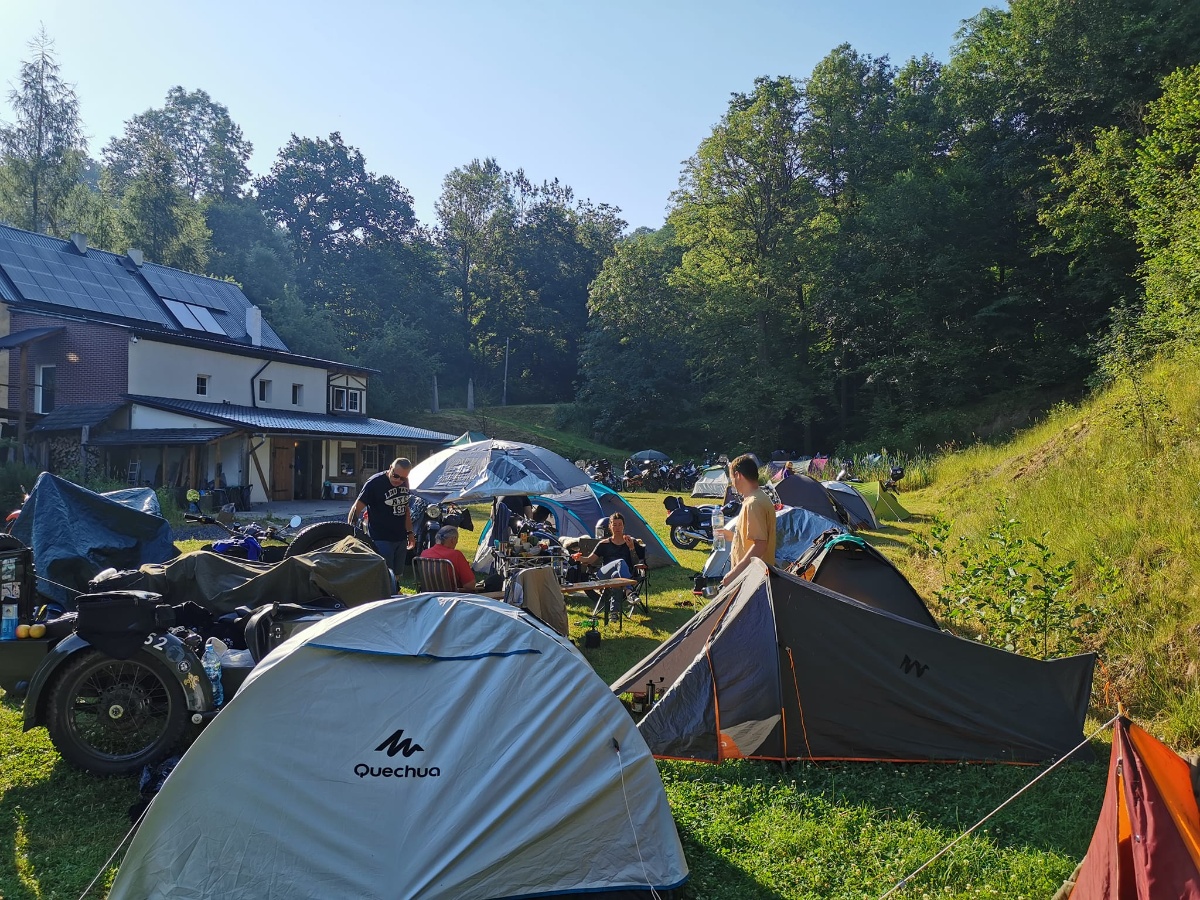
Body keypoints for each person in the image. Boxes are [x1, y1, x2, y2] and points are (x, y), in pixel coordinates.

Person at [348, 458, 414, 583]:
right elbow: (356, 509)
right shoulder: (375, 483)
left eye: (403, 479)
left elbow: (405, 509)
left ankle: (394, 596)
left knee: (397, 576)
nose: (398, 480)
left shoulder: (404, 482)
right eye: (395, 476)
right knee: (384, 575)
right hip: (380, 538)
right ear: (390, 468)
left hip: (400, 537)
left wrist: (410, 533)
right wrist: (351, 533)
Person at [719, 454, 777, 587]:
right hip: (753, 577)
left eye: (732, 477)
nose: (732, 482)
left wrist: (734, 573)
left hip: (753, 580)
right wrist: (733, 537)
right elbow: (756, 538)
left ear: (738, 475)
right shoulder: (758, 498)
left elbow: (760, 545)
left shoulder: (753, 504)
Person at [573, 512, 646, 606]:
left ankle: (614, 613)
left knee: (616, 575)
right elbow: (590, 560)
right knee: (620, 562)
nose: (617, 528)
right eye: (614, 525)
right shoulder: (604, 543)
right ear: (610, 526)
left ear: (624, 526)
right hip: (604, 574)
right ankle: (629, 591)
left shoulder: (630, 541)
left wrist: (631, 548)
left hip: (624, 575)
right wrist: (579, 558)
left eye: (620, 525)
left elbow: (635, 563)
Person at [420, 525, 478, 591]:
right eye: (457, 539)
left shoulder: (424, 553)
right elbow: (470, 585)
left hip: (429, 595)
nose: (457, 542)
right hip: (453, 597)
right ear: (453, 540)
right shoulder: (456, 555)